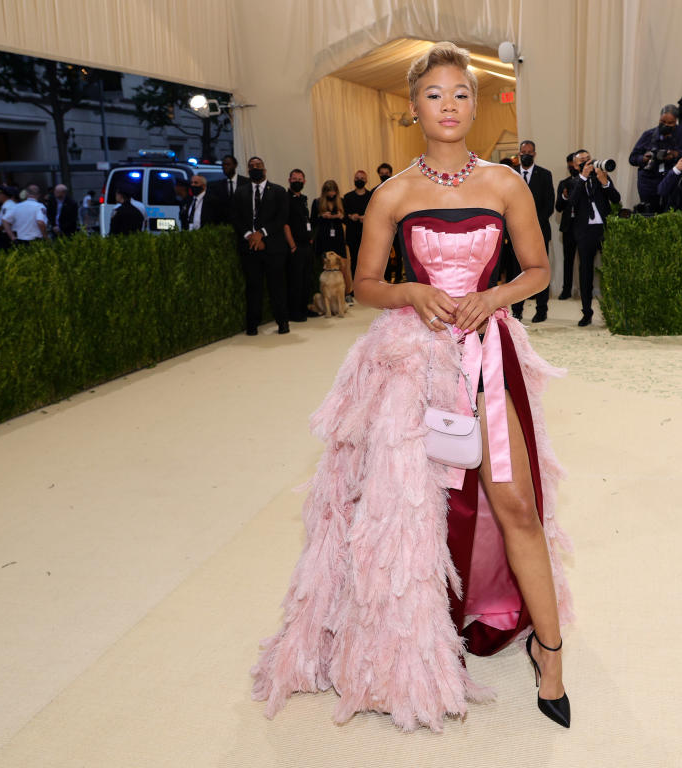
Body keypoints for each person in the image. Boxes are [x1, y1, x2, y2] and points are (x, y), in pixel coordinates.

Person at [250, 40, 573, 733]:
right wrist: (407, 290)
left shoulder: (506, 184)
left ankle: (550, 653)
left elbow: (539, 269)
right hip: (409, 365)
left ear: (476, 104)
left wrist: (495, 298)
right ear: (413, 108)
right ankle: (410, 648)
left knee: (514, 502)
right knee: (408, 515)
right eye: (434, 94)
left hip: (487, 355)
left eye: (461, 93)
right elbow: (365, 284)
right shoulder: (392, 193)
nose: (449, 105)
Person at [231, 156, 290, 335]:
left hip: (273, 248)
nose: (255, 168)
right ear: (248, 170)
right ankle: (252, 326)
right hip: (249, 248)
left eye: (258, 166)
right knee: (253, 287)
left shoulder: (279, 191)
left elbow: (282, 218)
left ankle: (282, 323)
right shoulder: (240, 192)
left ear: (264, 169)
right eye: (251, 166)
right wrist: (250, 235)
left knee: (277, 287)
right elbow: (235, 217)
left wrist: (261, 233)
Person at [569, 149, 620, 326]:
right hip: (584, 233)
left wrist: (605, 183)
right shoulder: (574, 182)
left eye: (588, 159)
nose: (586, 163)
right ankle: (586, 312)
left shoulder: (601, 177)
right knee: (585, 273)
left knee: (611, 270)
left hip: (604, 230)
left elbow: (616, 198)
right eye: (581, 161)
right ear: (575, 166)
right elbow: (571, 203)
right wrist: (583, 178)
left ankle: (614, 311)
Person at [510, 140, 554, 323]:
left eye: (530, 152)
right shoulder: (510, 175)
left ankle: (541, 310)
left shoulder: (544, 175)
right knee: (515, 272)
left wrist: (531, 226)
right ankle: (516, 310)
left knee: (539, 271)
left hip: (539, 231)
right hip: (514, 233)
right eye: (523, 152)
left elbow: (549, 205)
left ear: (534, 154)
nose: (526, 154)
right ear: (519, 154)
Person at [628, 105, 682, 212]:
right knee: (649, 213)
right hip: (649, 182)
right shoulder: (648, 135)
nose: (665, 125)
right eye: (662, 122)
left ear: (676, 121)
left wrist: (675, 154)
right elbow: (632, 158)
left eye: (670, 123)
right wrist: (644, 159)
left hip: (673, 182)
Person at [284, 168, 314, 322]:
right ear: (289, 180)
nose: (297, 181)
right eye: (294, 179)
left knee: (306, 279)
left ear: (304, 181)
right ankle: (295, 313)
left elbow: (306, 220)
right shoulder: (286, 198)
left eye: (300, 179)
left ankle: (304, 308)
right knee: (295, 281)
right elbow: (286, 224)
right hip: (295, 246)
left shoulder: (303, 198)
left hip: (306, 245)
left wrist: (310, 239)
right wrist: (292, 245)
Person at [555, 152, 578, 299]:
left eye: (573, 165)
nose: (571, 168)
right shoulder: (564, 183)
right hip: (568, 227)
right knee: (568, 260)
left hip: (585, 228)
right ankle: (566, 289)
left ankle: (586, 290)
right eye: (569, 166)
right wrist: (564, 196)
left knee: (586, 262)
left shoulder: (588, 181)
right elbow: (558, 207)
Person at [343, 170, 371, 278]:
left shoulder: (371, 196)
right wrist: (350, 217)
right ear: (354, 180)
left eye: (362, 178)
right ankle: (356, 287)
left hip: (367, 235)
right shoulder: (347, 197)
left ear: (366, 180)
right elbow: (343, 216)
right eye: (357, 178)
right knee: (354, 261)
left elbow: (377, 214)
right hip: (352, 235)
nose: (359, 180)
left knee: (368, 262)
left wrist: (367, 217)